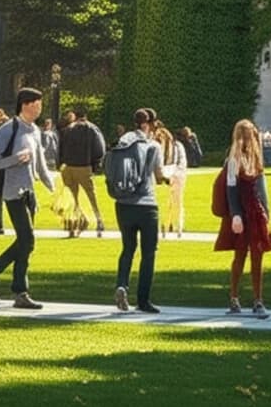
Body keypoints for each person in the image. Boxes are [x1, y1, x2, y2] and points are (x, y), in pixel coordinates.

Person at [0, 87, 54, 310]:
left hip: (29, 193)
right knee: (28, 240)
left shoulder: (35, 130)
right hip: (13, 193)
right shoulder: (7, 129)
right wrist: (15, 159)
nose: (40, 108)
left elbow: (40, 164)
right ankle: (19, 290)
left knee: (25, 242)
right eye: (37, 104)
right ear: (26, 104)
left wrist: (54, 187)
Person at [215, 119, 271, 318]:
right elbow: (231, 190)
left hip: (256, 213)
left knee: (257, 256)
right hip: (242, 213)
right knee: (240, 256)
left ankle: (258, 300)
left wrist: (266, 214)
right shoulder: (233, 161)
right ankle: (234, 297)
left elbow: (262, 189)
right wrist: (236, 215)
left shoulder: (256, 159)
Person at [113, 107, 167, 314]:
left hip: (123, 203)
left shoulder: (123, 141)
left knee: (127, 248)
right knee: (148, 253)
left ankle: (121, 284)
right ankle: (143, 299)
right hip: (146, 204)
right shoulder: (153, 145)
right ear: (149, 124)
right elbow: (159, 174)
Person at [57, 106, 107, 237]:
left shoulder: (68, 129)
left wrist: (61, 163)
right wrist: (96, 164)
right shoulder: (91, 128)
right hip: (84, 166)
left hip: (68, 166)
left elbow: (60, 148)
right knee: (91, 197)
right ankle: (98, 221)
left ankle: (75, 225)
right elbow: (100, 148)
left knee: (73, 199)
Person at [163, 127, 188, 238]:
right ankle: (169, 225)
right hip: (174, 175)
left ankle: (176, 226)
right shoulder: (176, 146)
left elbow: (179, 162)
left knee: (176, 201)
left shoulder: (177, 146)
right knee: (170, 201)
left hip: (177, 176)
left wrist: (172, 175)